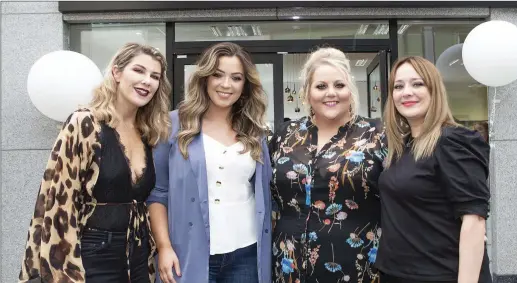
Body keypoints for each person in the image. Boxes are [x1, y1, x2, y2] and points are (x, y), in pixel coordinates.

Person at [18, 42, 172, 283]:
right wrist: (64, 272)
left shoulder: (148, 132)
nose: (147, 81)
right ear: (117, 73)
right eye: (139, 71)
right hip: (91, 254)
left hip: (139, 256)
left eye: (155, 76)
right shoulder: (84, 123)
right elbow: (60, 202)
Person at [147, 42, 272, 283]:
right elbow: (158, 193)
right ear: (204, 78)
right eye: (218, 75)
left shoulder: (254, 132)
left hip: (246, 251)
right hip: (189, 252)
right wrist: (163, 247)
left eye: (236, 78)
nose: (226, 85)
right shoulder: (173, 125)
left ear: (245, 86)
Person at [269, 47, 387, 283]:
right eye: (321, 86)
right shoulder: (285, 135)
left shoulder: (377, 134)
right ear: (307, 92)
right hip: (290, 262)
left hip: (356, 263)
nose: (331, 93)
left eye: (339, 85)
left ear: (350, 90)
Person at [375, 56, 491, 283]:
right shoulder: (402, 147)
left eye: (417, 84)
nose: (406, 92)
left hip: (439, 274)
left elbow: (474, 221)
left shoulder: (453, 141)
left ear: (434, 90)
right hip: (396, 273)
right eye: (398, 86)